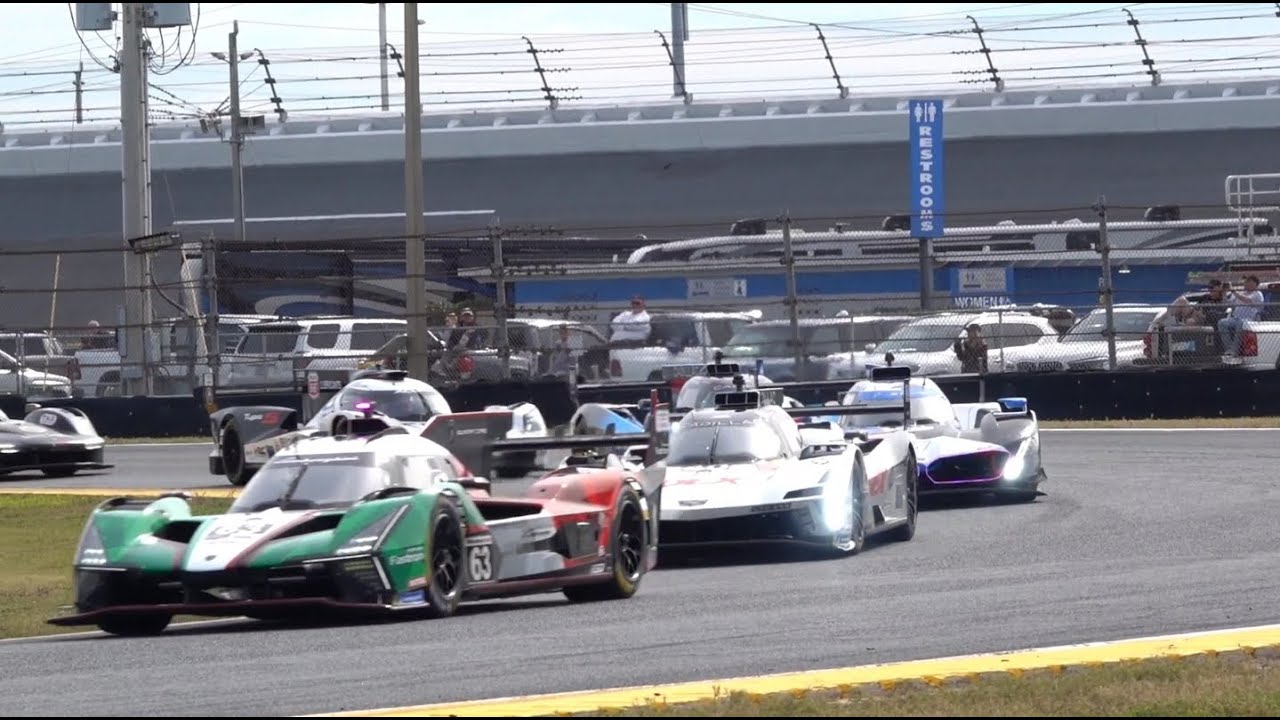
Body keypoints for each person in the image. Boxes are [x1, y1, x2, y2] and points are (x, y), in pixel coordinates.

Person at [1217, 275, 1265, 361]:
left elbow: (1248, 301)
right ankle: (1229, 349)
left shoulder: (1258, 294)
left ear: (1255, 284)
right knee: (1222, 322)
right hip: (1236, 318)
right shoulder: (1241, 292)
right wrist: (1223, 292)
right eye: (1246, 281)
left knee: (1241, 323)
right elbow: (1226, 303)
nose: (1247, 284)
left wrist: (1233, 291)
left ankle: (1234, 351)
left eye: (1249, 282)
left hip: (1250, 320)